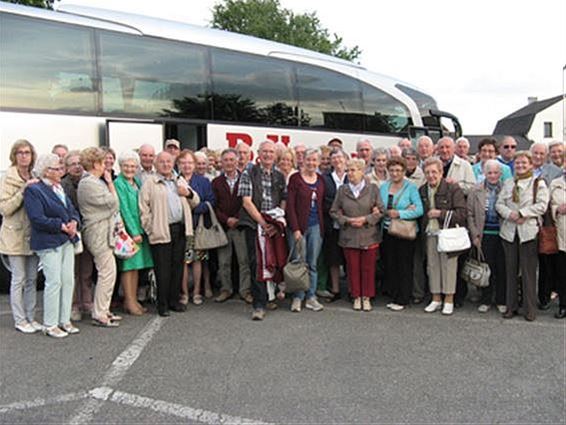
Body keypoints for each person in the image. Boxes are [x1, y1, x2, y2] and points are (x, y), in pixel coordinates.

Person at [24, 153, 81, 338]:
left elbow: (71, 210)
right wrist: (61, 226)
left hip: (66, 240)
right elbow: (37, 218)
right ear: (46, 171)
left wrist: (73, 222)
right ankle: (50, 323)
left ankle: (65, 320)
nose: (60, 171)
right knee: (54, 282)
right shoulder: (35, 190)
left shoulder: (59, 188)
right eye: (57, 168)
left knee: (68, 280)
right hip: (49, 241)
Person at [139, 151, 200, 316]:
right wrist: (151, 229)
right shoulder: (150, 183)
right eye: (162, 162)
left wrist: (187, 193)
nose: (166, 165)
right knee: (162, 270)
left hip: (180, 229)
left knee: (177, 268)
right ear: (156, 164)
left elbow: (196, 201)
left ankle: (174, 300)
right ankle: (162, 304)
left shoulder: (178, 180)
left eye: (168, 162)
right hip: (161, 231)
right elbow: (143, 210)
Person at [497, 150, 549, 321]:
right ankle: (511, 306)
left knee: (528, 272)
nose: (520, 166)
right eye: (517, 163)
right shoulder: (509, 182)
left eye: (524, 163)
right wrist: (510, 214)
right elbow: (499, 204)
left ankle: (529, 309)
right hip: (509, 231)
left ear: (531, 165)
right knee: (510, 271)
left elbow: (542, 205)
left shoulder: (538, 183)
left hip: (528, 232)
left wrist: (522, 213)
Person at [238, 140, 287, 320]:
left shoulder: (279, 176)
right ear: (258, 153)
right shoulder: (249, 172)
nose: (268, 155)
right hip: (254, 224)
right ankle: (258, 304)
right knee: (257, 263)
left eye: (271, 152)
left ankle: (270, 297)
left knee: (273, 261)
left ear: (275, 155)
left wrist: (275, 222)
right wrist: (262, 222)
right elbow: (246, 201)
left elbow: (283, 199)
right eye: (264, 151)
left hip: (272, 226)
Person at [330, 158, 384, 311]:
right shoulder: (342, 190)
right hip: (349, 235)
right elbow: (333, 211)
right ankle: (356, 296)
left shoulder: (373, 189)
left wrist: (366, 219)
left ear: (362, 171)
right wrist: (347, 220)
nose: (350, 173)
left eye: (353, 170)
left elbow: (381, 210)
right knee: (352, 268)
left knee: (368, 268)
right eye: (348, 170)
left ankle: (366, 297)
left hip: (368, 235)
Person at [0, 140, 41, 334]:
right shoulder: (8, 178)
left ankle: (31, 317)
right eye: (20, 153)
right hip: (14, 234)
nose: (24, 156)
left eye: (27, 153)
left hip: (32, 235)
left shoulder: (34, 175)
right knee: (19, 278)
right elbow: (5, 208)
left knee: (33, 278)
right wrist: (23, 191)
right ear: (14, 155)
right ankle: (19, 319)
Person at [77, 147, 121, 327]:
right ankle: (100, 312)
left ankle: (103, 308)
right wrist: (111, 184)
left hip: (102, 230)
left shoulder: (93, 181)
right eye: (103, 162)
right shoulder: (89, 183)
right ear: (95, 164)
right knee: (107, 272)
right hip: (98, 232)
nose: (106, 166)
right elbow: (113, 203)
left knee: (109, 272)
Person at [419, 157, 467, 316]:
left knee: (449, 267)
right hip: (430, 233)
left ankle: (449, 299)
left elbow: (462, 213)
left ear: (441, 173)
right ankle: (436, 298)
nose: (431, 175)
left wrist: (440, 213)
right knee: (432, 267)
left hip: (448, 234)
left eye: (434, 172)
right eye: (427, 172)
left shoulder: (453, 188)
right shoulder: (422, 189)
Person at [380, 157, 423, 311]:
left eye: (398, 170)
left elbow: (419, 209)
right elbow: (379, 207)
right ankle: (394, 294)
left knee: (405, 265)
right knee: (391, 264)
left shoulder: (411, 188)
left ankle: (404, 298)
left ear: (404, 171)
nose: (395, 173)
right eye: (392, 170)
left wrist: (399, 213)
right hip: (387, 230)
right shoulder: (383, 187)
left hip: (405, 232)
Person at [114, 151, 154, 315]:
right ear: (120, 166)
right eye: (126, 166)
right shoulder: (119, 183)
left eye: (132, 166)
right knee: (128, 267)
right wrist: (134, 231)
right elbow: (123, 208)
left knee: (137, 267)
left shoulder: (136, 182)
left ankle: (133, 300)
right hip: (129, 232)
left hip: (141, 229)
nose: (129, 169)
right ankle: (129, 301)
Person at [286, 148, 325, 313]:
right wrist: (295, 229)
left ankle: (311, 296)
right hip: (298, 228)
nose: (311, 163)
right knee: (298, 263)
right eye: (309, 160)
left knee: (312, 264)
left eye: (314, 160)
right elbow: (290, 206)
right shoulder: (295, 179)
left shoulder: (321, 180)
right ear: (303, 161)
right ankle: (298, 297)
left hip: (316, 226)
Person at [212, 148, 252, 303]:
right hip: (224, 227)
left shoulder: (245, 178)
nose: (229, 163)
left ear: (237, 161)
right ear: (221, 163)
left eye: (232, 160)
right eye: (226, 160)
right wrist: (226, 219)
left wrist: (237, 218)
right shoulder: (216, 182)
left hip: (241, 226)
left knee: (244, 261)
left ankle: (245, 290)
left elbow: (248, 203)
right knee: (224, 262)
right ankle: (226, 289)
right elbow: (214, 206)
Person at [467, 160, 507, 313]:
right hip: (484, 234)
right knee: (485, 268)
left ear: (500, 173)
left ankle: (501, 300)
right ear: (484, 173)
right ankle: (486, 299)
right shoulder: (475, 190)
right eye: (489, 172)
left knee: (502, 268)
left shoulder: (506, 188)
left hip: (503, 234)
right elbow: (470, 214)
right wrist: (474, 234)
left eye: (495, 172)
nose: (492, 176)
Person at [177, 149, 216, 305]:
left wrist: (195, 208)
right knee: (184, 262)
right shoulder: (174, 180)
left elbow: (211, 201)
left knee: (198, 260)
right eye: (183, 162)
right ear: (178, 164)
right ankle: (184, 293)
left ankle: (197, 292)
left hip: (198, 226)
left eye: (190, 162)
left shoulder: (203, 181)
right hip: (180, 227)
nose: (187, 166)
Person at [61, 150, 94, 321]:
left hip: (87, 230)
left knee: (86, 270)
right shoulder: (62, 185)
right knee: (72, 271)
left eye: (79, 163)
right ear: (66, 167)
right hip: (70, 232)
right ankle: (73, 305)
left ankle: (87, 302)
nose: (77, 166)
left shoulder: (88, 181)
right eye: (72, 164)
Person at [530, 142, 562, 310]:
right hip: (527, 221)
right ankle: (526, 295)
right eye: (535, 153)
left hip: (547, 221)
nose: (538, 156)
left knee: (546, 260)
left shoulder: (555, 172)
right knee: (528, 263)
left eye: (542, 153)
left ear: (546, 155)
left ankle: (544, 296)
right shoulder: (523, 169)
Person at [321, 148, 348, 301]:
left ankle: (352, 290)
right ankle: (336, 290)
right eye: (334, 158)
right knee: (333, 259)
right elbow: (322, 200)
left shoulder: (351, 175)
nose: (337, 161)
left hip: (349, 224)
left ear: (345, 159)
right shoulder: (325, 178)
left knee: (349, 259)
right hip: (331, 224)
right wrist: (336, 210)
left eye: (340, 157)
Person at [549, 169, 566, 318]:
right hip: (561, 233)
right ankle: (563, 305)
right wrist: (557, 209)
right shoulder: (555, 183)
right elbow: (549, 205)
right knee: (562, 273)